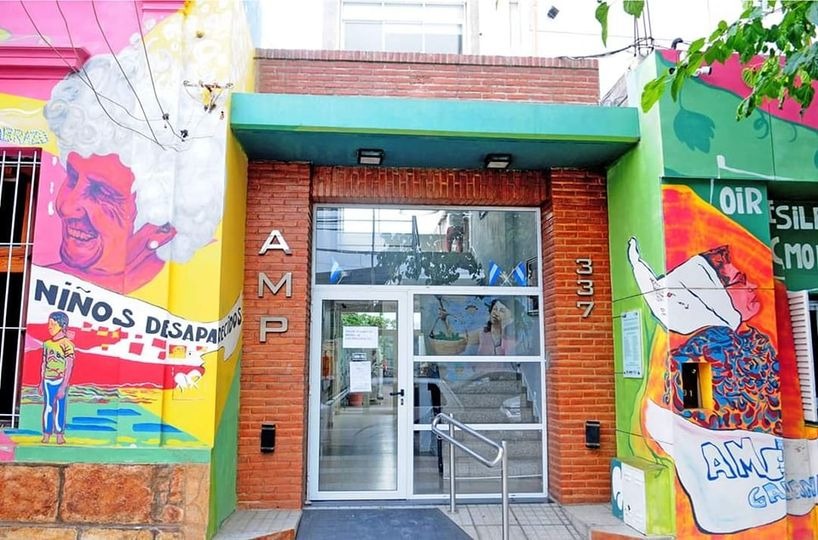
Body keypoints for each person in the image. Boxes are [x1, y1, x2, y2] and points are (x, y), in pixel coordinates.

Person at [42, 45, 226, 293]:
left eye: (101, 192)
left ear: (162, 227)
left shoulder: (200, 289)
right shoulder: (35, 291)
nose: (66, 207)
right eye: (73, 178)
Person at [40, 311, 75, 445]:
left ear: (62, 325)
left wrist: (64, 385)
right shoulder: (47, 344)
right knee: (48, 407)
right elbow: (44, 363)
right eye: (49, 324)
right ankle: (47, 433)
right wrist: (41, 382)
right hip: (47, 380)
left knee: (60, 408)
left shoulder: (67, 344)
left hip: (60, 380)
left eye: (53, 324)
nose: (49, 327)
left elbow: (69, 365)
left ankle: (59, 434)